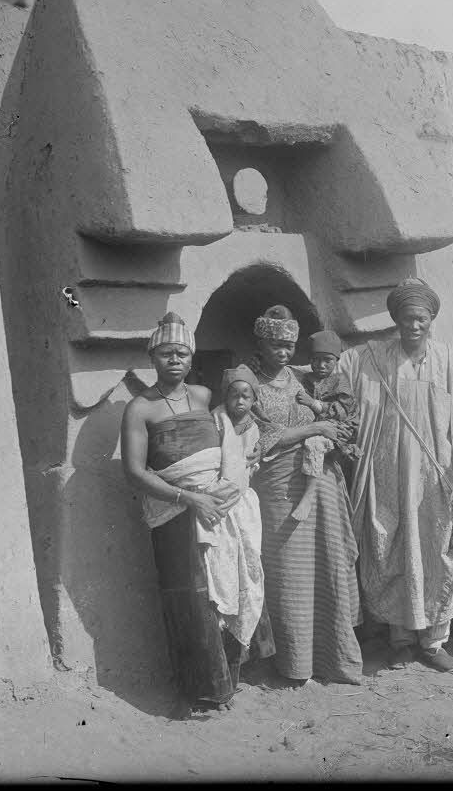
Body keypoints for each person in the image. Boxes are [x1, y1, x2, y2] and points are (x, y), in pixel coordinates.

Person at [119, 313, 267, 715]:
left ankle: (229, 683)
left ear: (191, 358)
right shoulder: (140, 409)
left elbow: (232, 441)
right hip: (176, 515)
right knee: (192, 601)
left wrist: (232, 476)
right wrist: (189, 499)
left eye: (182, 353)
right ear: (153, 357)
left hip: (220, 511)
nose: (175, 360)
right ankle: (200, 692)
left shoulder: (202, 397)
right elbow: (134, 472)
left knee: (228, 591)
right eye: (167, 353)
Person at [334, 278, 453, 673]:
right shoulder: (373, 358)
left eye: (421, 319)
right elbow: (337, 379)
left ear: (432, 319)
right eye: (406, 319)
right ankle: (400, 639)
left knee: (438, 550)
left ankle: (434, 642)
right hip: (387, 471)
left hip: (436, 475)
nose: (414, 326)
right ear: (396, 321)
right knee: (391, 545)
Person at [247, 305, 363, 685]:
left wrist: (332, 431)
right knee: (288, 572)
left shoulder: (302, 380)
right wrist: (315, 429)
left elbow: (338, 420)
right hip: (279, 487)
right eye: (276, 345)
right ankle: (294, 666)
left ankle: (334, 662)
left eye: (289, 345)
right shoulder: (250, 384)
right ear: (260, 344)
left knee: (328, 565)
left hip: (321, 482)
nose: (283, 352)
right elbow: (258, 439)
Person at [210, 365, 275, 661]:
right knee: (221, 573)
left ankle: (244, 651)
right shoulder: (215, 421)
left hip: (244, 506)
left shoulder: (254, 427)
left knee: (249, 569)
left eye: (246, 396)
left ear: (253, 399)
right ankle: (223, 650)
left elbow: (251, 463)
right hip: (218, 503)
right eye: (234, 395)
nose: (239, 402)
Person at [295, 330, 361, 484]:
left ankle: (314, 486)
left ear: (337, 360)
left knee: (317, 447)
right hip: (315, 428)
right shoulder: (305, 379)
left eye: (328, 360)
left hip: (340, 428)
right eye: (316, 360)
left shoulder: (340, 382)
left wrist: (313, 403)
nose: (321, 365)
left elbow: (342, 412)